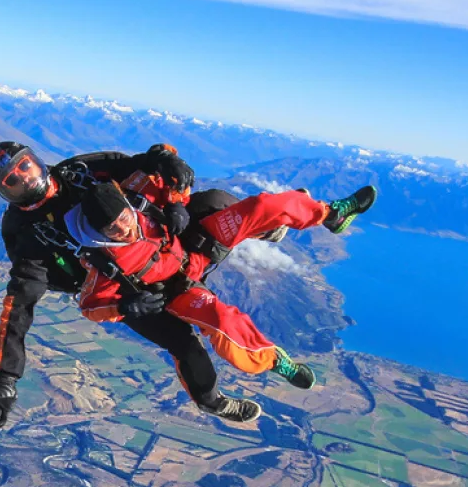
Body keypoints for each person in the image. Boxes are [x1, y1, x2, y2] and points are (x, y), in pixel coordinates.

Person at [64, 180, 377, 423]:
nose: (122, 229)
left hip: (194, 246)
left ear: (126, 208)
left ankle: (330, 214)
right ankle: (272, 359)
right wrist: (125, 308)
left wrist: (175, 203)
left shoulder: (139, 205)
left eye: (122, 219)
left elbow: (170, 171)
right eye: (110, 228)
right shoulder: (102, 260)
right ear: (97, 231)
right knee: (223, 321)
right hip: (178, 291)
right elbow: (90, 305)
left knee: (260, 206)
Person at [0, 141, 196, 429]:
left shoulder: (79, 171)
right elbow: (19, 305)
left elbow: (144, 160)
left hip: (151, 240)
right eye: (13, 180)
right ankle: (212, 400)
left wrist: (169, 164)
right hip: (115, 289)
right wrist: (5, 376)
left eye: (25, 166)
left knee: (213, 204)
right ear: (5, 192)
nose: (26, 178)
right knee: (182, 341)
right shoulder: (25, 231)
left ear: (36, 161)